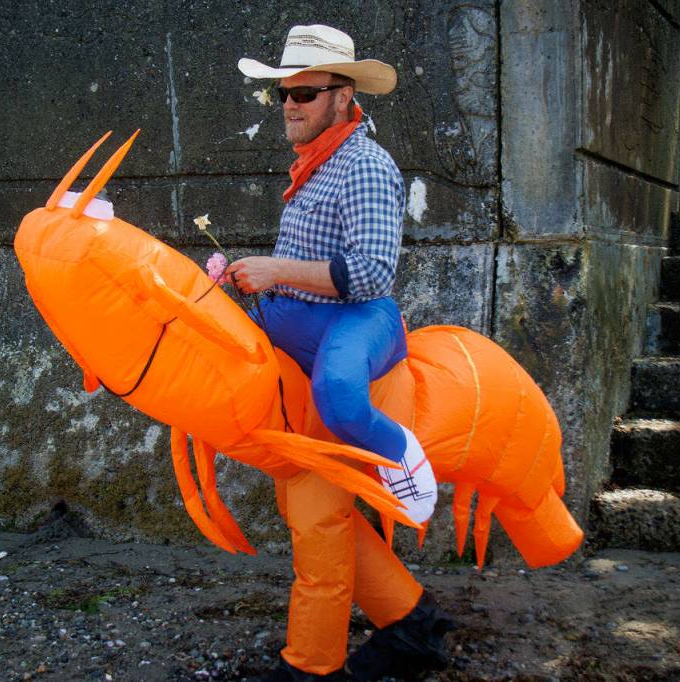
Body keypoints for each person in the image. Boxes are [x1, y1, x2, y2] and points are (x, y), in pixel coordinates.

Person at [230, 25, 454, 681]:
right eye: (282, 94)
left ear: (342, 94)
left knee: (335, 403)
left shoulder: (365, 166)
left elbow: (371, 277)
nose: (290, 105)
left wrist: (275, 270)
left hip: (359, 322)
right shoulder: (313, 163)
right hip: (306, 325)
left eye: (303, 92)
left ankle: (401, 459)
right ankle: (414, 624)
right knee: (313, 509)